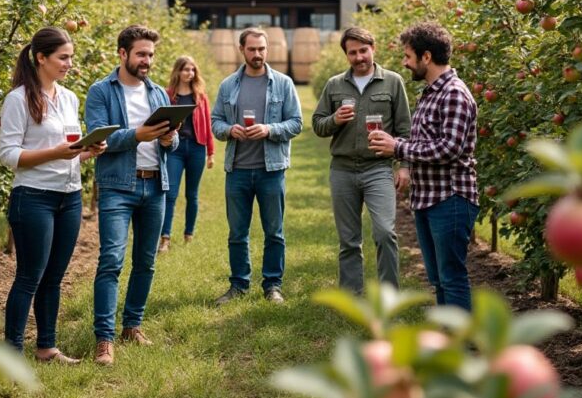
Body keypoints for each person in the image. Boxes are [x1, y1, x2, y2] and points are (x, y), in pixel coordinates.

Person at [0, 27, 106, 364]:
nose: (70, 63)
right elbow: (9, 155)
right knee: (29, 276)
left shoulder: (70, 97)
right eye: (63, 57)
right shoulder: (18, 99)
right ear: (41, 58)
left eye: (71, 57)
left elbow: (67, 151)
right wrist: (57, 152)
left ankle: (47, 347)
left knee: (54, 277)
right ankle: (11, 354)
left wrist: (88, 151)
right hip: (33, 197)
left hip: (68, 197)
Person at [368, 22, 479, 311]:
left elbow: (450, 148)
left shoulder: (453, 93)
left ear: (426, 57)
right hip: (429, 198)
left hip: (450, 198)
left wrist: (398, 147)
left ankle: (461, 346)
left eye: (407, 56)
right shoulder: (431, 92)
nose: (405, 63)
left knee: (452, 277)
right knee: (439, 279)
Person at [85, 24, 178, 365]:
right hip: (117, 187)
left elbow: (171, 142)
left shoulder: (157, 94)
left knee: (146, 262)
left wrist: (169, 139)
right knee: (111, 260)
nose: (147, 61)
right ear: (122, 54)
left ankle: (132, 325)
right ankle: (104, 338)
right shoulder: (101, 92)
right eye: (141, 54)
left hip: (155, 185)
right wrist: (138, 134)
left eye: (151, 55)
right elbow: (99, 139)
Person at [312, 26, 411, 295]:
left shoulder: (392, 82)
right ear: (346, 55)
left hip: (378, 167)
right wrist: (335, 120)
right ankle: (352, 295)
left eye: (363, 51)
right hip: (343, 169)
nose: (359, 57)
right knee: (348, 239)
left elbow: (405, 130)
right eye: (352, 53)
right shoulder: (334, 85)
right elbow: (318, 125)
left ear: (373, 49)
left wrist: (404, 166)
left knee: (384, 233)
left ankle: (389, 296)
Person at [210, 27, 302, 305]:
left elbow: (296, 122)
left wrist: (269, 129)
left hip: (270, 169)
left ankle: (272, 285)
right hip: (237, 169)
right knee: (237, 233)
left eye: (262, 49)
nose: (257, 54)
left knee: (274, 231)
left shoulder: (283, 83)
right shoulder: (228, 85)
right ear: (242, 50)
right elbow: (215, 122)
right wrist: (229, 131)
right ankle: (239, 284)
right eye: (252, 49)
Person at [159, 56, 215, 253]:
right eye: (185, 69)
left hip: (196, 148)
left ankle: (188, 234)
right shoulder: (168, 95)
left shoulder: (200, 97)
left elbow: (207, 126)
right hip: (175, 149)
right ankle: (164, 237)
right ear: (178, 71)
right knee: (170, 193)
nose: (189, 73)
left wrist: (211, 152)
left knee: (192, 194)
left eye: (192, 70)